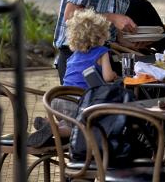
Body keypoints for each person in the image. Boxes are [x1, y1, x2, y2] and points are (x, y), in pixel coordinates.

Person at [29, 8, 116, 148]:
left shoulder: (73, 56)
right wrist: (114, 75)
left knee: (69, 122)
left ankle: (51, 125)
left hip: (58, 99)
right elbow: (107, 78)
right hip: (77, 100)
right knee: (78, 128)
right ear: (100, 36)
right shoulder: (102, 51)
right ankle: (54, 129)